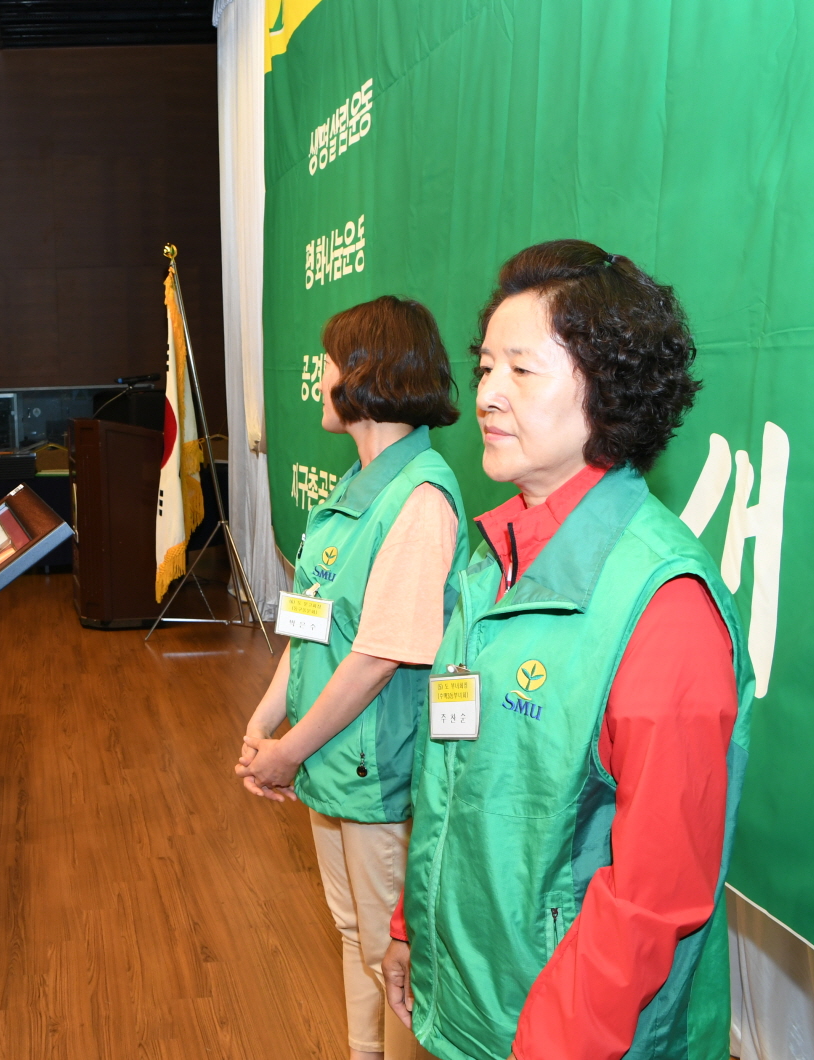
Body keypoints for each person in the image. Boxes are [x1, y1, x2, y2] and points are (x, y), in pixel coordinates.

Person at [381, 241, 752, 1060]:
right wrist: (415, 926)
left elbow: (656, 895)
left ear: (607, 390)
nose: (487, 395)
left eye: (522, 370)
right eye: (484, 369)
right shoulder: (491, 558)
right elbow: (449, 774)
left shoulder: (662, 605)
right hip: (468, 1003)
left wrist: (550, 1043)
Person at [234, 296, 468, 1060]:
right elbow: (308, 628)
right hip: (329, 761)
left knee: (394, 955)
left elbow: (374, 659)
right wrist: (264, 723)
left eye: (329, 365)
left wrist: (289, 751)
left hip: (375, 774)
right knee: (354, 933)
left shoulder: (420, 499)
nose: (319, 380)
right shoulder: (350, 493)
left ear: (365, 376)